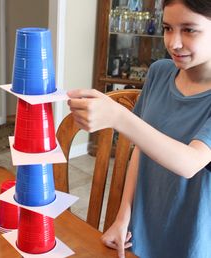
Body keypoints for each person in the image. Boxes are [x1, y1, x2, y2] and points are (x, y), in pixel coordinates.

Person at [67, 0, 211, 257]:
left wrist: (119, 117)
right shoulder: (159, 72)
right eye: (167, 28)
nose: (173, 43)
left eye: (189, 29)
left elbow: (190, 162)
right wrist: (124, 216)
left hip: (190, 239)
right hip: (142, 230)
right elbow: (140, 149)